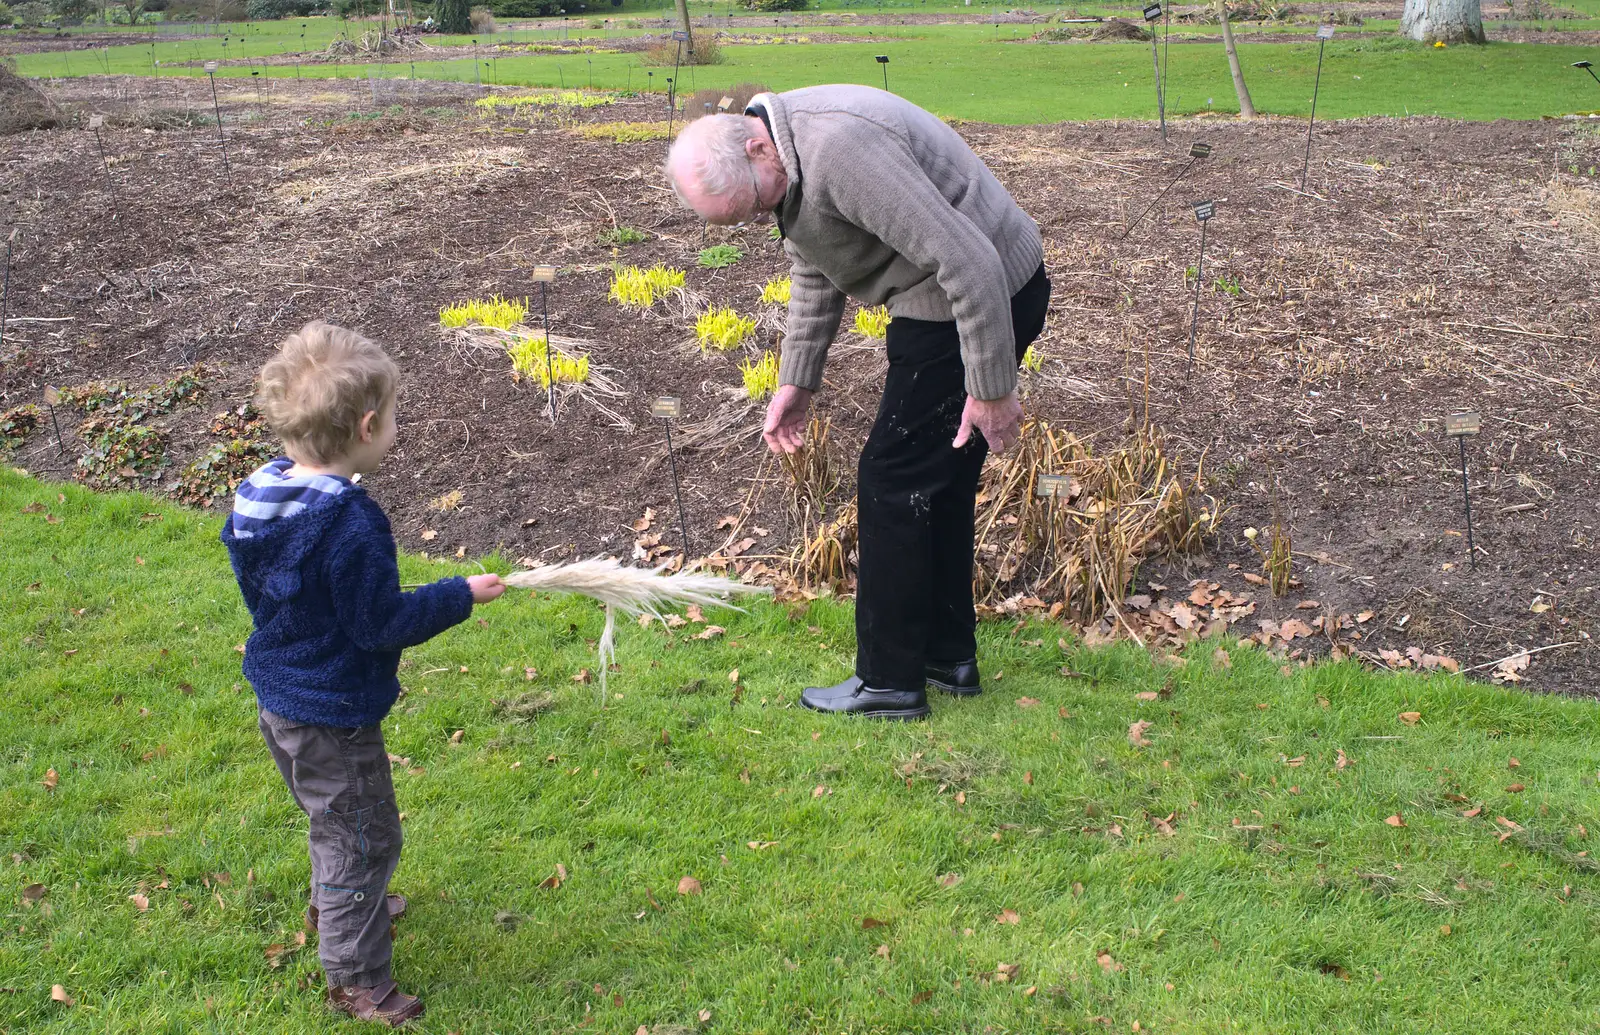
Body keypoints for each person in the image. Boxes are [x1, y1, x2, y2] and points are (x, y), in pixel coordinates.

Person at [666, 85, 1051, 721]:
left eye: (757, 206)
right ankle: (944, 655)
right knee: (938, 481)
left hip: (980, 299)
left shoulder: (840, 149)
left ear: (757, 147)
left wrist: (990, 388)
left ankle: (891, 682)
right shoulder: (785, 162)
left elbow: (970, 260)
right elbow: (817, 259)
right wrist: (798, 379)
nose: (765, 219)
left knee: (892, 479)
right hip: (950, 299)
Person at [222, 321, 505, 1027]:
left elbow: (264, 591)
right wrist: (458, 594)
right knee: (364, 836)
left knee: (336, 824)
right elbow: (381, 622)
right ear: (369, 424)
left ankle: (344, 896)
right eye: (395, 417)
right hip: (331, 709)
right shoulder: (348, 525)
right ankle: (356, 975)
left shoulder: (261, 495)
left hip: (281, 696)